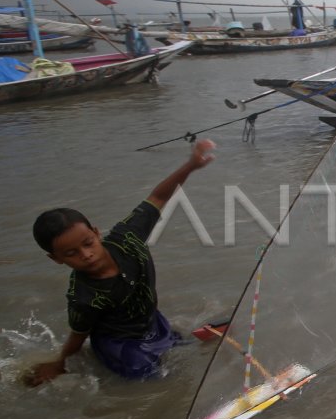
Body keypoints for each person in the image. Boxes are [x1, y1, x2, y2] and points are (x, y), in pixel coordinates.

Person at [24, 140, 218, 386]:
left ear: (95, 233)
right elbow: (78, 334)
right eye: (71, 253)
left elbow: (157, 197)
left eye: (87, 243)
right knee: (158, 380)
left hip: (150, 323)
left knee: (192, 349)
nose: (85, 255)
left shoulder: (127, 237)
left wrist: (190, 166)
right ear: (57, 259)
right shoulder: (84, 296)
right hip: (120, 343)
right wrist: (60, 363)